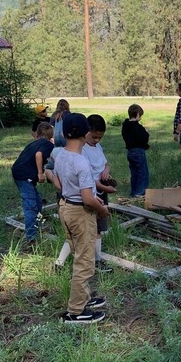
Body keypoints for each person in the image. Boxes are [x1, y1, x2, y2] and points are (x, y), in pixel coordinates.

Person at [54, 113, 109, 325]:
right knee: (85, 262)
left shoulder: (60, 155)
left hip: (65, 207)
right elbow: (88, 198)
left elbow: (58, 182)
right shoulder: (81, 162)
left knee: (79, 254)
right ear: (86, 132)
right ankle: (76, 312)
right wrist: (101, 209)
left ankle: (84, 297)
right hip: (80, 212)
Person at [55, 114, 116, 273]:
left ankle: (70, 263)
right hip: (87, 199)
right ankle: (91, 263)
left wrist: (106, 173)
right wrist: (102, 207)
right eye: (94, 136)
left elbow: (104, 164)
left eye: (99, 138)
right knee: (86, 237)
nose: (96, 140)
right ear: (85, 132)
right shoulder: (81, 154)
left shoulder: (64, 153)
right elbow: (86, 188)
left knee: (91, 233)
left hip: (91, 195)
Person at [11, 122, 54, 244]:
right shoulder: (47, 144)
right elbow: (39, 155)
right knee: (30, 205)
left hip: (19, 172)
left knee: (38, 202)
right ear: (51, 136)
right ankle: (31, 238)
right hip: (24, 176)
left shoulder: (34, 143)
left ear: (37, 134)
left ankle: (37, 226)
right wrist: (40, 173)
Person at [122, 103, 150, 197]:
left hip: (130, 152)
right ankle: (140, 193)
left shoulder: (125, 126)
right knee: (143, 173)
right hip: (138, 151)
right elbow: (143, 139)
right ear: (138, 114)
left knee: (134, 173)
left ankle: (133, 192)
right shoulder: (138, 127)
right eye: (140, 115)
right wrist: (146, 133)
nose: (140, 118)